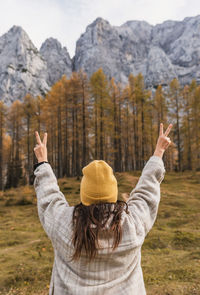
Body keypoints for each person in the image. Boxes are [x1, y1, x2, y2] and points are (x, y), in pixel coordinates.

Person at [33, 123, 172, 295]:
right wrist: (158, 152)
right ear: (113, 192)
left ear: (84, 193)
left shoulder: (63, 223)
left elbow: (48, 195)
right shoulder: (132, 224)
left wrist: (43, 162)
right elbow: (147, 190)